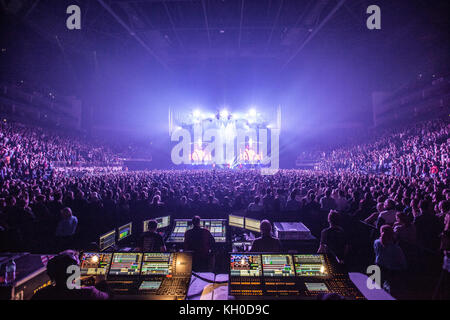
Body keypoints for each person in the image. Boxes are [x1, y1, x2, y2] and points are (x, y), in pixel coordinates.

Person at [32, 250, 109, 300]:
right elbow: (108, 296)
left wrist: (79, 281)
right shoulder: (88, 293)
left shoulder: (40, 294)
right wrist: (101, 282)